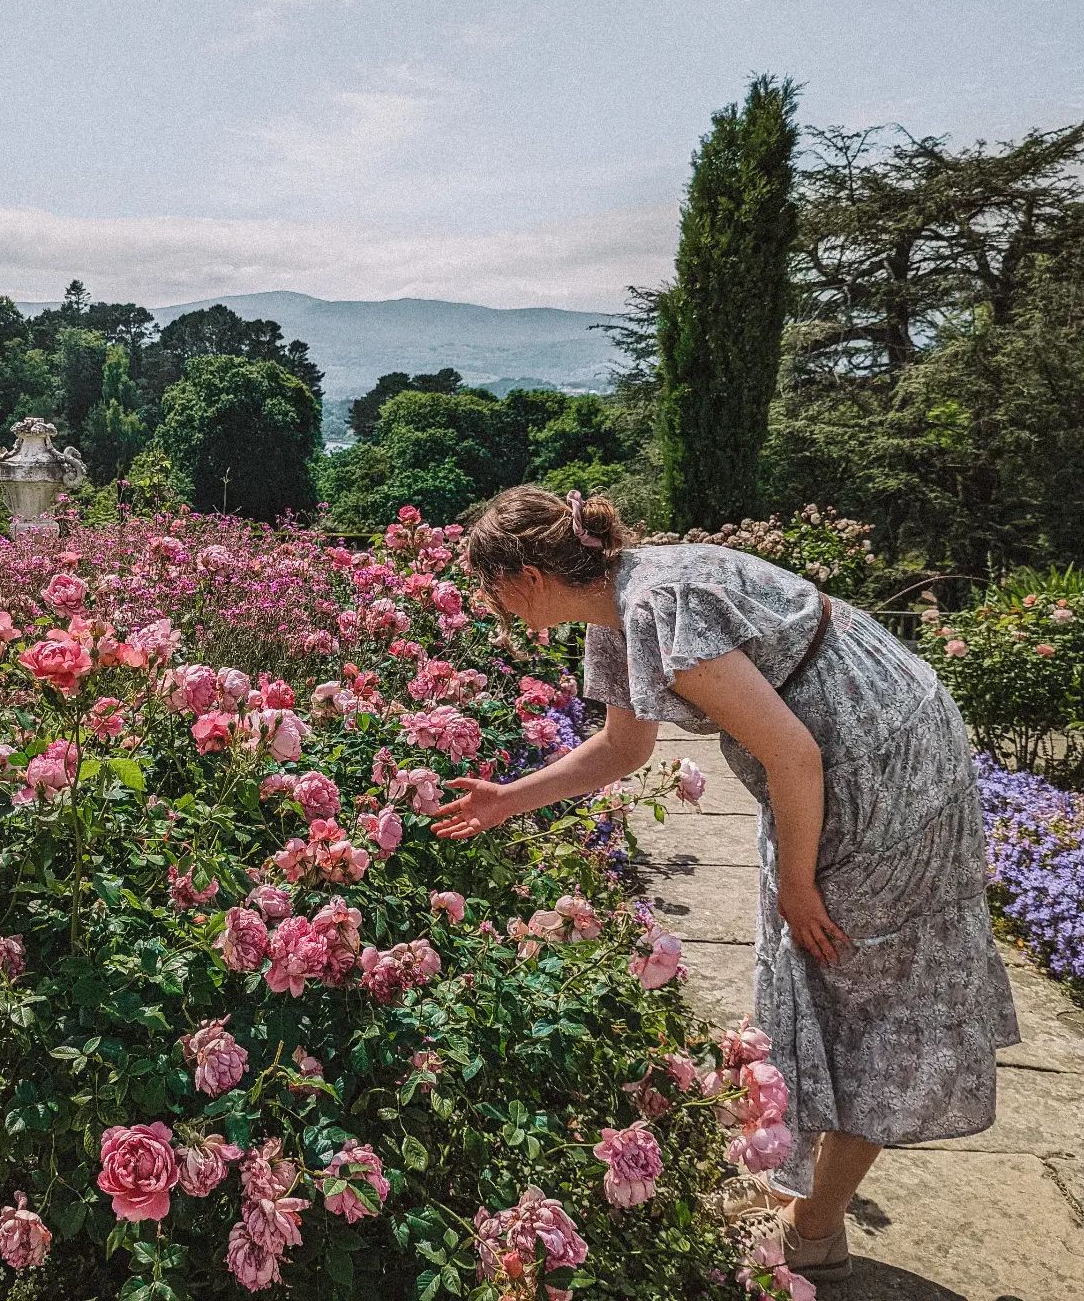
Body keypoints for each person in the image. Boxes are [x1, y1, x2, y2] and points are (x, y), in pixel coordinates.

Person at [430, 485, 1019, 1283]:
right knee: (818, 966)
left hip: (885, 761)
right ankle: (803, 1204)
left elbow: (795, 754)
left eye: (488, 585)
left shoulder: (655, 602)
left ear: (529, 575)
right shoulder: (616, 607)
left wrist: (799, 885)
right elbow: (622, 750)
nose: (485, 603)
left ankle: (813, 1231)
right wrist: (510, 798)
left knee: (858, 979)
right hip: (839, 754)